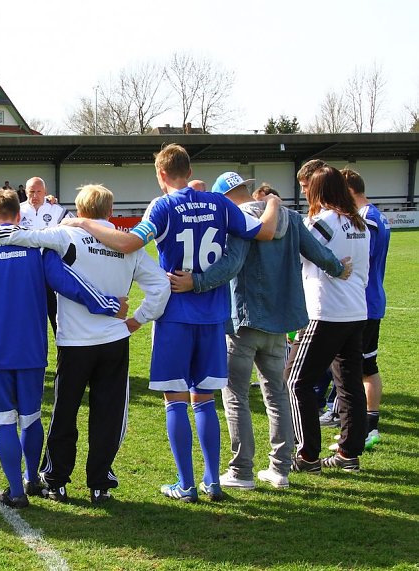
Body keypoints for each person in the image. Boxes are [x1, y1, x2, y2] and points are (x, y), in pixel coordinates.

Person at [58, 144, 280, 502]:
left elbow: (130, 242)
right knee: (205, 398)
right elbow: (266, 232)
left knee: (175, 399)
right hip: (213, 316)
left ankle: (186, 485)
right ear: (189, 171)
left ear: (161, 174)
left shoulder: (162, 206)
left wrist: (82, 221)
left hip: (175, 314)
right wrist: (273, 202)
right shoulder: (220, 203)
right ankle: (213, 482)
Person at [0, 184, 169, 503]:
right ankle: (99, 483)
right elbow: (161, 286)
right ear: (109, 212)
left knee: (65, 411)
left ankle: (56, 480)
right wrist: (137, 319)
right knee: (108, 413)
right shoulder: (128, 245)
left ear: (79, 211)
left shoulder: (65, 234)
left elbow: (21, 236)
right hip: (113, 341)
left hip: (74, 342)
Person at [0, 189, 128, 507]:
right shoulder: (38, 249)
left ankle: (15, 491)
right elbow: (67, 283)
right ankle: (32, 479)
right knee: (30, 417)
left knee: (4, 420)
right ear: (19, 216)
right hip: (32, 348)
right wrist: (109, 303)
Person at [168, 172, 349, 490]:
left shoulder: (236, 220)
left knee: (235, 396)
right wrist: (338, 268)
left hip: (245, 319)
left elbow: (231, 265)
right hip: (280, 320)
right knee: (277, 394)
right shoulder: (290, 217)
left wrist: (195, 282)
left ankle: (242, 471)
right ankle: (280, 469)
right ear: (245, 190)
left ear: (224, 196)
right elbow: (316, 252)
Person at [286, 165, 370, 473]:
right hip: (355, 311)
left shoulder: (324, 222)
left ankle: (307, 455)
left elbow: (298, 254)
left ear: (321, 191)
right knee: (348, 384)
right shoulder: (359, 223)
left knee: (295, 381)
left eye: (310, 188)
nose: (306, 192)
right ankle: (349, 453)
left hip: (325, 312)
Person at [342, 168, 390, 451]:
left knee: (364, 368)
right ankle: (357, 423)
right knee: (360, 367)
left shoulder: (367, 220)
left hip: (365, 303)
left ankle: (369, 428)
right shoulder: (377, 215)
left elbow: (360, 261)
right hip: (370, 300)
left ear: (349, 190)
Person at [20, 177, 73, 335]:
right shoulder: (17, 210)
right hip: (26, 272)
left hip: (52, 271)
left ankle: (63, 353)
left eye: (38, 192)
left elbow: (74, 233)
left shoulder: (57, 210)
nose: (35, 195)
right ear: (25, 192)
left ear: (45, 192)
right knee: (30, 320)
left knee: (58, 318)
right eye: (31, 192)